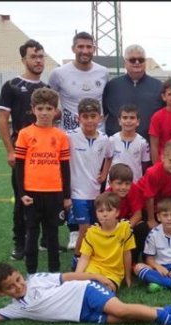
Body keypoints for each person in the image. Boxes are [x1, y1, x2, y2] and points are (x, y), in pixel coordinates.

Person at [0, 262, 171, 325]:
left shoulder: (37, 279)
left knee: (121, 309)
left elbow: (68, 276)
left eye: (18, 280)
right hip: (81, 315)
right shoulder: (14, 308)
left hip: (85, 292)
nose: (18, 287)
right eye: (10, 287)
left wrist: (97, 277)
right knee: (126, 317)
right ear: (3, 292)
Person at [0, 39, 48, 261]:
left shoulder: (45, 89)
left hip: (45, 154)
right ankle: (20, 243)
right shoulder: (11, 86)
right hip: (23, 153)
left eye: (41, 57)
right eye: (33, 57)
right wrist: (10, 150)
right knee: (21, 198)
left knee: (47, 197)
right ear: (23, 59)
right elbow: (2, 120)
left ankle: (46, 240)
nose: (38, 61)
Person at [14, 88, 71, 274]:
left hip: (54, 193)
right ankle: (31, 272)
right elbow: (19, 167)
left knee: (52, 234)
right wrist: (22, 193)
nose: (45, 112)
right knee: (32, 232)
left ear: (56, 110)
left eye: (49, 108)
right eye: (40, 108)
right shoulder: (25, 134)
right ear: (33, 109)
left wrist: (66, 196)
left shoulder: (61, 136)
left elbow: (64, 167)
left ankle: (54, 273)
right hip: (31, 193)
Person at [67, 98, 113, 253]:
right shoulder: (70, 137)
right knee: (84, 228)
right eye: (85, 116)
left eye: (93, 116)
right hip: (77, 193)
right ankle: (77, 258)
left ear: (100, 118)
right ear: (78, 118)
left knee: (96, 228)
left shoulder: (104, 139)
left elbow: (109, 156)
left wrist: (104, 173)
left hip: (95, 193)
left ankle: (93, 256)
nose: (89, 120)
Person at [48, 32, 109, 132]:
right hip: (69, 135)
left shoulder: (103, 72)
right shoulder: (58, 73)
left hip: (98, 134)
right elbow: (48, 103)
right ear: (73, 48)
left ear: (94, 49)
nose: (85, 51)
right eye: (80, 46)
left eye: (89, 47)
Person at [75, 192, 135, 290]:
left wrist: (128, 278)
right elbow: (84, 258)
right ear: (96, 213)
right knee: (83, 288)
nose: (105, 214)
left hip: (113, 274)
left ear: (117, 212)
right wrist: (77, 277)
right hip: (93, 269)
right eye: (101, 211)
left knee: (104, 291)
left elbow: (126, 254)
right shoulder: (91, 232)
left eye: (109, 210)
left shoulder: (125, 228)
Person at [103, 44, 164, 141]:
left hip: (147, 146)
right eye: (132, 60)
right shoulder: (112, 86)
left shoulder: (158, 86)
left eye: (141, 60)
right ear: (125, 63)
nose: (137, 62)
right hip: (116, 147)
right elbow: (102, 114)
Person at [137, 141, 171, 229]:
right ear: (163, 157)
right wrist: (151, 220)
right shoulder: (153, 172)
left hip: (161, 207)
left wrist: (169, 217)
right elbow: (149, 198)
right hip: (143, 206)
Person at [106, 164, 149, 264]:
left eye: (127, 183)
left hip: (127, 223)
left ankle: (133, 261)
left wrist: (124, 228)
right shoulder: (106, 197)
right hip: (112, 224)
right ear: (110, 183)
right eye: (119, 183)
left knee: (142, 228)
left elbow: (138, 215)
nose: (123, 187)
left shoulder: (133, 189)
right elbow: (103, 219)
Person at [107, 104, 151, 184]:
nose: (128, 121)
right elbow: (108, 160)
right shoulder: (112, 140)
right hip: (114, 184)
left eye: (132, 118)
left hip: (134, 183)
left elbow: (144, 165)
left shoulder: (143, 142)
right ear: (119, 121)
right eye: (125, 117)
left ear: (138, 122)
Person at [149, 78, 171, 164]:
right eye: (170, 94)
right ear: (164, 97)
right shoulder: (157, 117)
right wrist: (156, 166)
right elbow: (154, 146)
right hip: (164, 162)